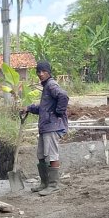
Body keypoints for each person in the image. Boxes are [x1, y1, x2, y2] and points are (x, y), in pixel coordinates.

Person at [21, 61, 69, 196]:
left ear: (49, 72)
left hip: (52, 126)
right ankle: (44, 183)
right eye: (39, 72)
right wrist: (29, 108)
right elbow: (44, 108)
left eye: (43, 71)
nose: (41, 74)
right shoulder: (46, 86)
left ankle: (53, 185)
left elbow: (63, 96)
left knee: (52, 155)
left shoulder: (52, 85)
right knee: (41, 155)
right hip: (45, 127)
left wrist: (59, 112)